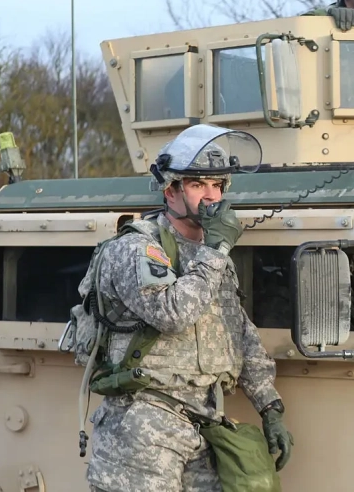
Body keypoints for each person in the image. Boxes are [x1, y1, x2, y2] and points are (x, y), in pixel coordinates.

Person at [76, 124, 292, 492]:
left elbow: (238, 333)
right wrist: (217, 251)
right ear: (170, 190)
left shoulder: (213, 257)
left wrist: (270, 408)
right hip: (144, 427)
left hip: (202, 424)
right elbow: (171, 314)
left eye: (217, 185)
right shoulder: (136, 249)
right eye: (197, 184)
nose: (211, 196)